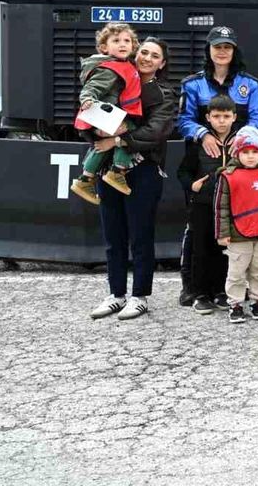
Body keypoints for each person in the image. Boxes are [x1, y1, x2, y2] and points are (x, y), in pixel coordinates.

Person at [176, 25, 258, 306]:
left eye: (227, 46)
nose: (222, 51)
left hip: (237, 164)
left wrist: (241, 140)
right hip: (203, 161)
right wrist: (202, 134)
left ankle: (222, 289)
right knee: (198, 232)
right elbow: (182, 121)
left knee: (228, 233)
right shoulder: (193, 84)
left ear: (234, 50)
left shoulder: (250, 84)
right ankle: (193, 288)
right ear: (209, 50)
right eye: (217, 46)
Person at [88, 37, 176, 322]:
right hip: (107, 169)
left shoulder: (164, 93)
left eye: (154, 55)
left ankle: (139, 296)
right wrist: (96, 133)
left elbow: (155, 133)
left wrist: (116, 141)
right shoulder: (114, 79)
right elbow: (88, 118)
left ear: (162, 63)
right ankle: (116, 294)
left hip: (144, 170)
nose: (147, 58)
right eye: (144, 52)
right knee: (113, 236)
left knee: (140, 235)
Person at [177, 94, 238, 315]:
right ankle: (199, 294)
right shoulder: (197, 144)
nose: (222, 121)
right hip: (202, 205)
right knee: (200, 249)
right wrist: (192, 185)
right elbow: (182, 172)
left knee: (223, 249)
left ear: (234, 117)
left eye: (226, 116)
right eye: (216, 116)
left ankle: (220, 291)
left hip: (229, 207)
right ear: (208, 118)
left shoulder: (240, 143)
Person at [70, 22, 143, 203]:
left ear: (133, 46)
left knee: (103, 145)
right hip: (103, 114)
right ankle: (117, 171)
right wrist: (87, 99)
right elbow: (91, 88)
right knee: (129, 131)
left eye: (127, 41)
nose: (123, 44)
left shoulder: (123, 65)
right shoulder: (110, 69)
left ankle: (85, 178)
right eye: (116, 40)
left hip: (103, 115)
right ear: (104, 47)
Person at [215, 127, 258, 324]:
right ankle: (235, 304)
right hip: (237, 233)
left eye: (254, 152)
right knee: (237, 271)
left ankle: (256, 301)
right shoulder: (228, 175)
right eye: (245, 152)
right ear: (237, 153)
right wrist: (222, 233)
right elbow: (221, 207)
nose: (250, 157)